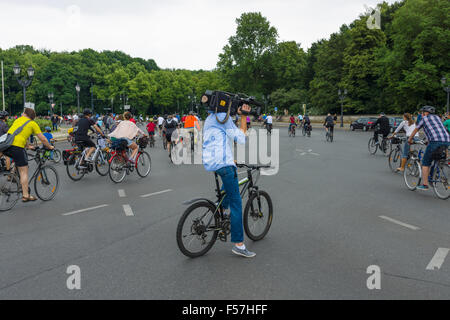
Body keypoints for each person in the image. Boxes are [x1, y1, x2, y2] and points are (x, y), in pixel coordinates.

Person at [202, 96, 256, 258]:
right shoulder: (223, 118)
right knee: (237, 203)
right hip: (223, 163)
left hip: (212, 162)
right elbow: (241, 138)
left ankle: (220, 208)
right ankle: (239, 245)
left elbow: (218, 139)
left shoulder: (210, 118)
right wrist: (244, 116)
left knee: (229, 186)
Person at [2, 108, 54, 202]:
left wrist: (28, 146)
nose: (22, 113)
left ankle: (13, 175)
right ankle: (26, 195)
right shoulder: (33, 123)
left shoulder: (18, 120)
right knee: (24, 171)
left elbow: (18, 134)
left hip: (7, 146)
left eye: (23, 112)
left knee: (18, 162)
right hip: (17, 147)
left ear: (25, 114)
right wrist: (50, 147)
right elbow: (43, 139)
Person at [408, 106, 450, 191]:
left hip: (435, 141)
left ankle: (425, 185)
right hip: (446, 140)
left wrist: (410, 139)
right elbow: (434, 130)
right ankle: (436, 172)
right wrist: (428, 140)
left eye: (422, 113)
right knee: (436, 157)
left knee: (425, 163)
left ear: (426, 113)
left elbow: (416, 129)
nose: (421, 114)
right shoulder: (438, 118)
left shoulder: (424, 119)